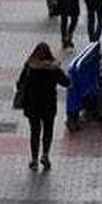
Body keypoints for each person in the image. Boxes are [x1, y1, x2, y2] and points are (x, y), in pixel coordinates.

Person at [14, 42, 70, 171]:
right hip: (49, 105)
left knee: (35, 132)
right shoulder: (53, 69)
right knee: (48, 131)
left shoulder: (29, 67)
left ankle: (34, 160)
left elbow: (19, 84)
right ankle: (45, 155)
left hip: (32, 106)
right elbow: (66, 82)